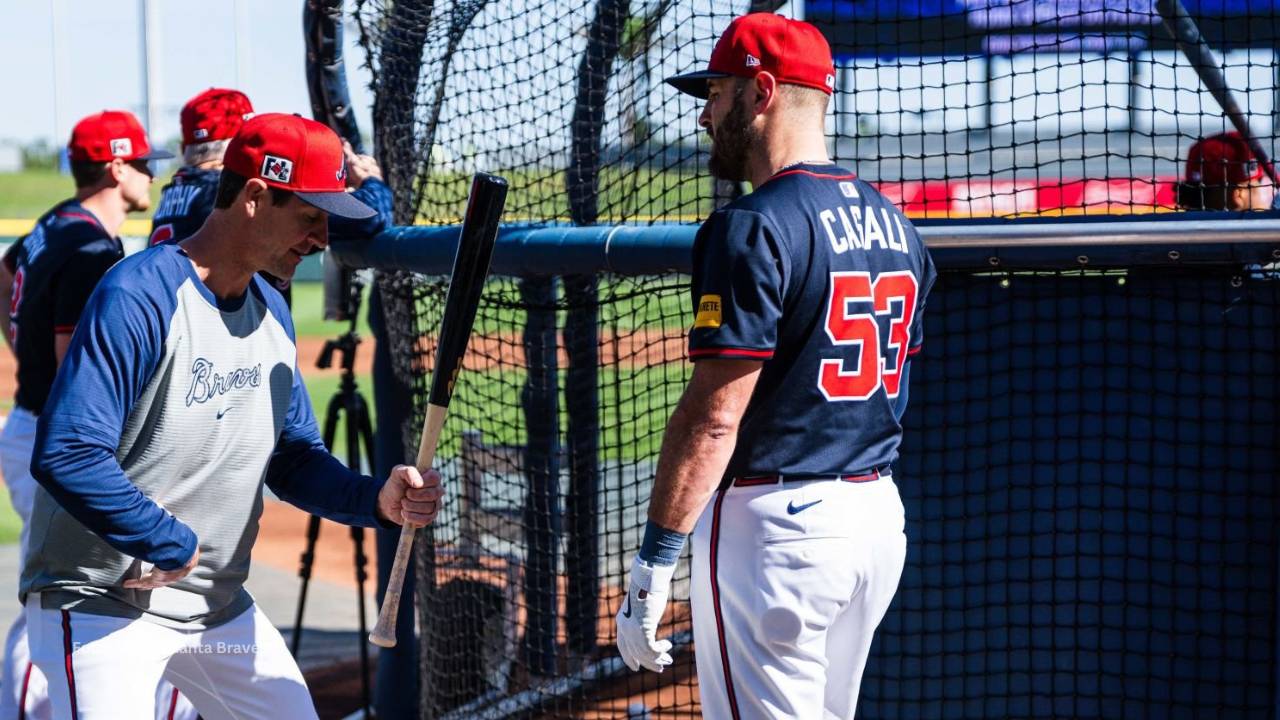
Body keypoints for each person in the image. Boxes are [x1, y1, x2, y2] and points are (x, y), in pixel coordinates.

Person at [20, 113, 442, 719]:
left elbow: (293, 458)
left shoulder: (271, 307)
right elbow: (67, 451)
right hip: (102, 604)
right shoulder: (139, 295)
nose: (323, 238)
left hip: (217, 611)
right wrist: (164, 538)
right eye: (310, 216)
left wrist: (378, 500)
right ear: (254, 196)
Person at [613, 13, 936, 719]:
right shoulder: (895, 223)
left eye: (717, 93)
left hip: (779, 532)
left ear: (760, 93)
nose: (704, 114)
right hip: (875, 519)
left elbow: (712, 418)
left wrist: (654, 562)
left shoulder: (752, 223)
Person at [0, 110, 184, 720]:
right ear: (113, 166)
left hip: (31, 427)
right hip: (59, 445)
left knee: (61, 594)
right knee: (58, 599)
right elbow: (77, 367)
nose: (147, 177)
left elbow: (3, 281)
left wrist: (16, 343)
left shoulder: (55, 222)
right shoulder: (89, 248)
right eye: (139, 164)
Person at [1175, 130, 1276, 211]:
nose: (1272, 193)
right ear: (1239, 195)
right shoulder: (1266, 235)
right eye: (1261, 182)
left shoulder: (1174, 231)